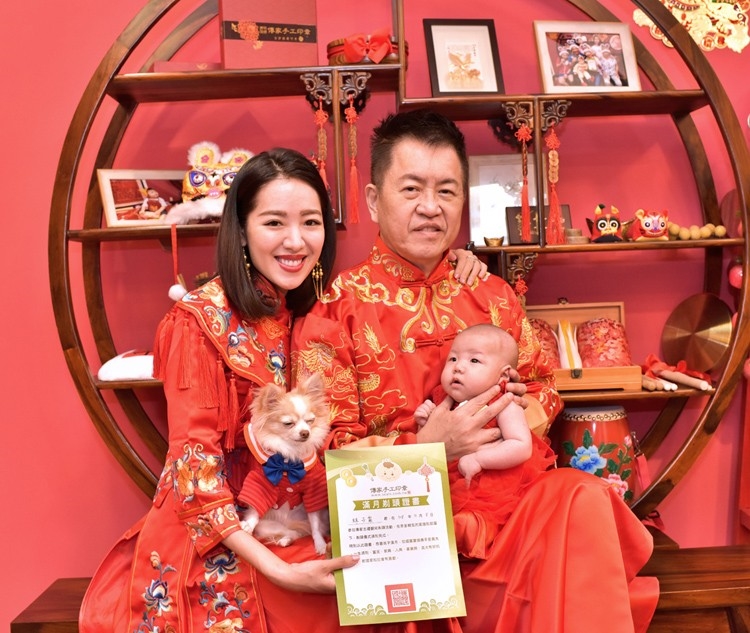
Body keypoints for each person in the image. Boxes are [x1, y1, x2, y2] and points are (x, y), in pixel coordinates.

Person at [272, 109, 658, 633]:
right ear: (374, 199)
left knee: (583, 498)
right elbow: (323, 447)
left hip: (505, 505)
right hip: (401, 520)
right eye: (411, 189)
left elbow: (545, 387)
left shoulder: (492, 295)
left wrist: (508, 416)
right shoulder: (333, 312)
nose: (430, 207)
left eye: (447, 191)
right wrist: (429, 446)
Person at [79, 147, 487, 633]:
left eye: (311, 222)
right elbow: (194, 475)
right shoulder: (199, 321)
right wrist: (283, 572)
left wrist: (453, 261)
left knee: (406, 584)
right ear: (241, 229)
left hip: (294, 517)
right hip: (225, 539)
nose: (296, 241)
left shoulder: (300, 307)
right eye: (274, 222)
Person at [414, 323, 557, 559]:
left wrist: (480, 459)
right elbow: (431, 442)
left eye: (474, 361)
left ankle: (476, 533)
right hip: (450, 477)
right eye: (453, 359)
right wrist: (425, 423)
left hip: (490, 478)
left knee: (483, 515)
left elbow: (521, 446)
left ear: (503, 375)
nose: (458, 367)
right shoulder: (443, 398)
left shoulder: (504, 403)